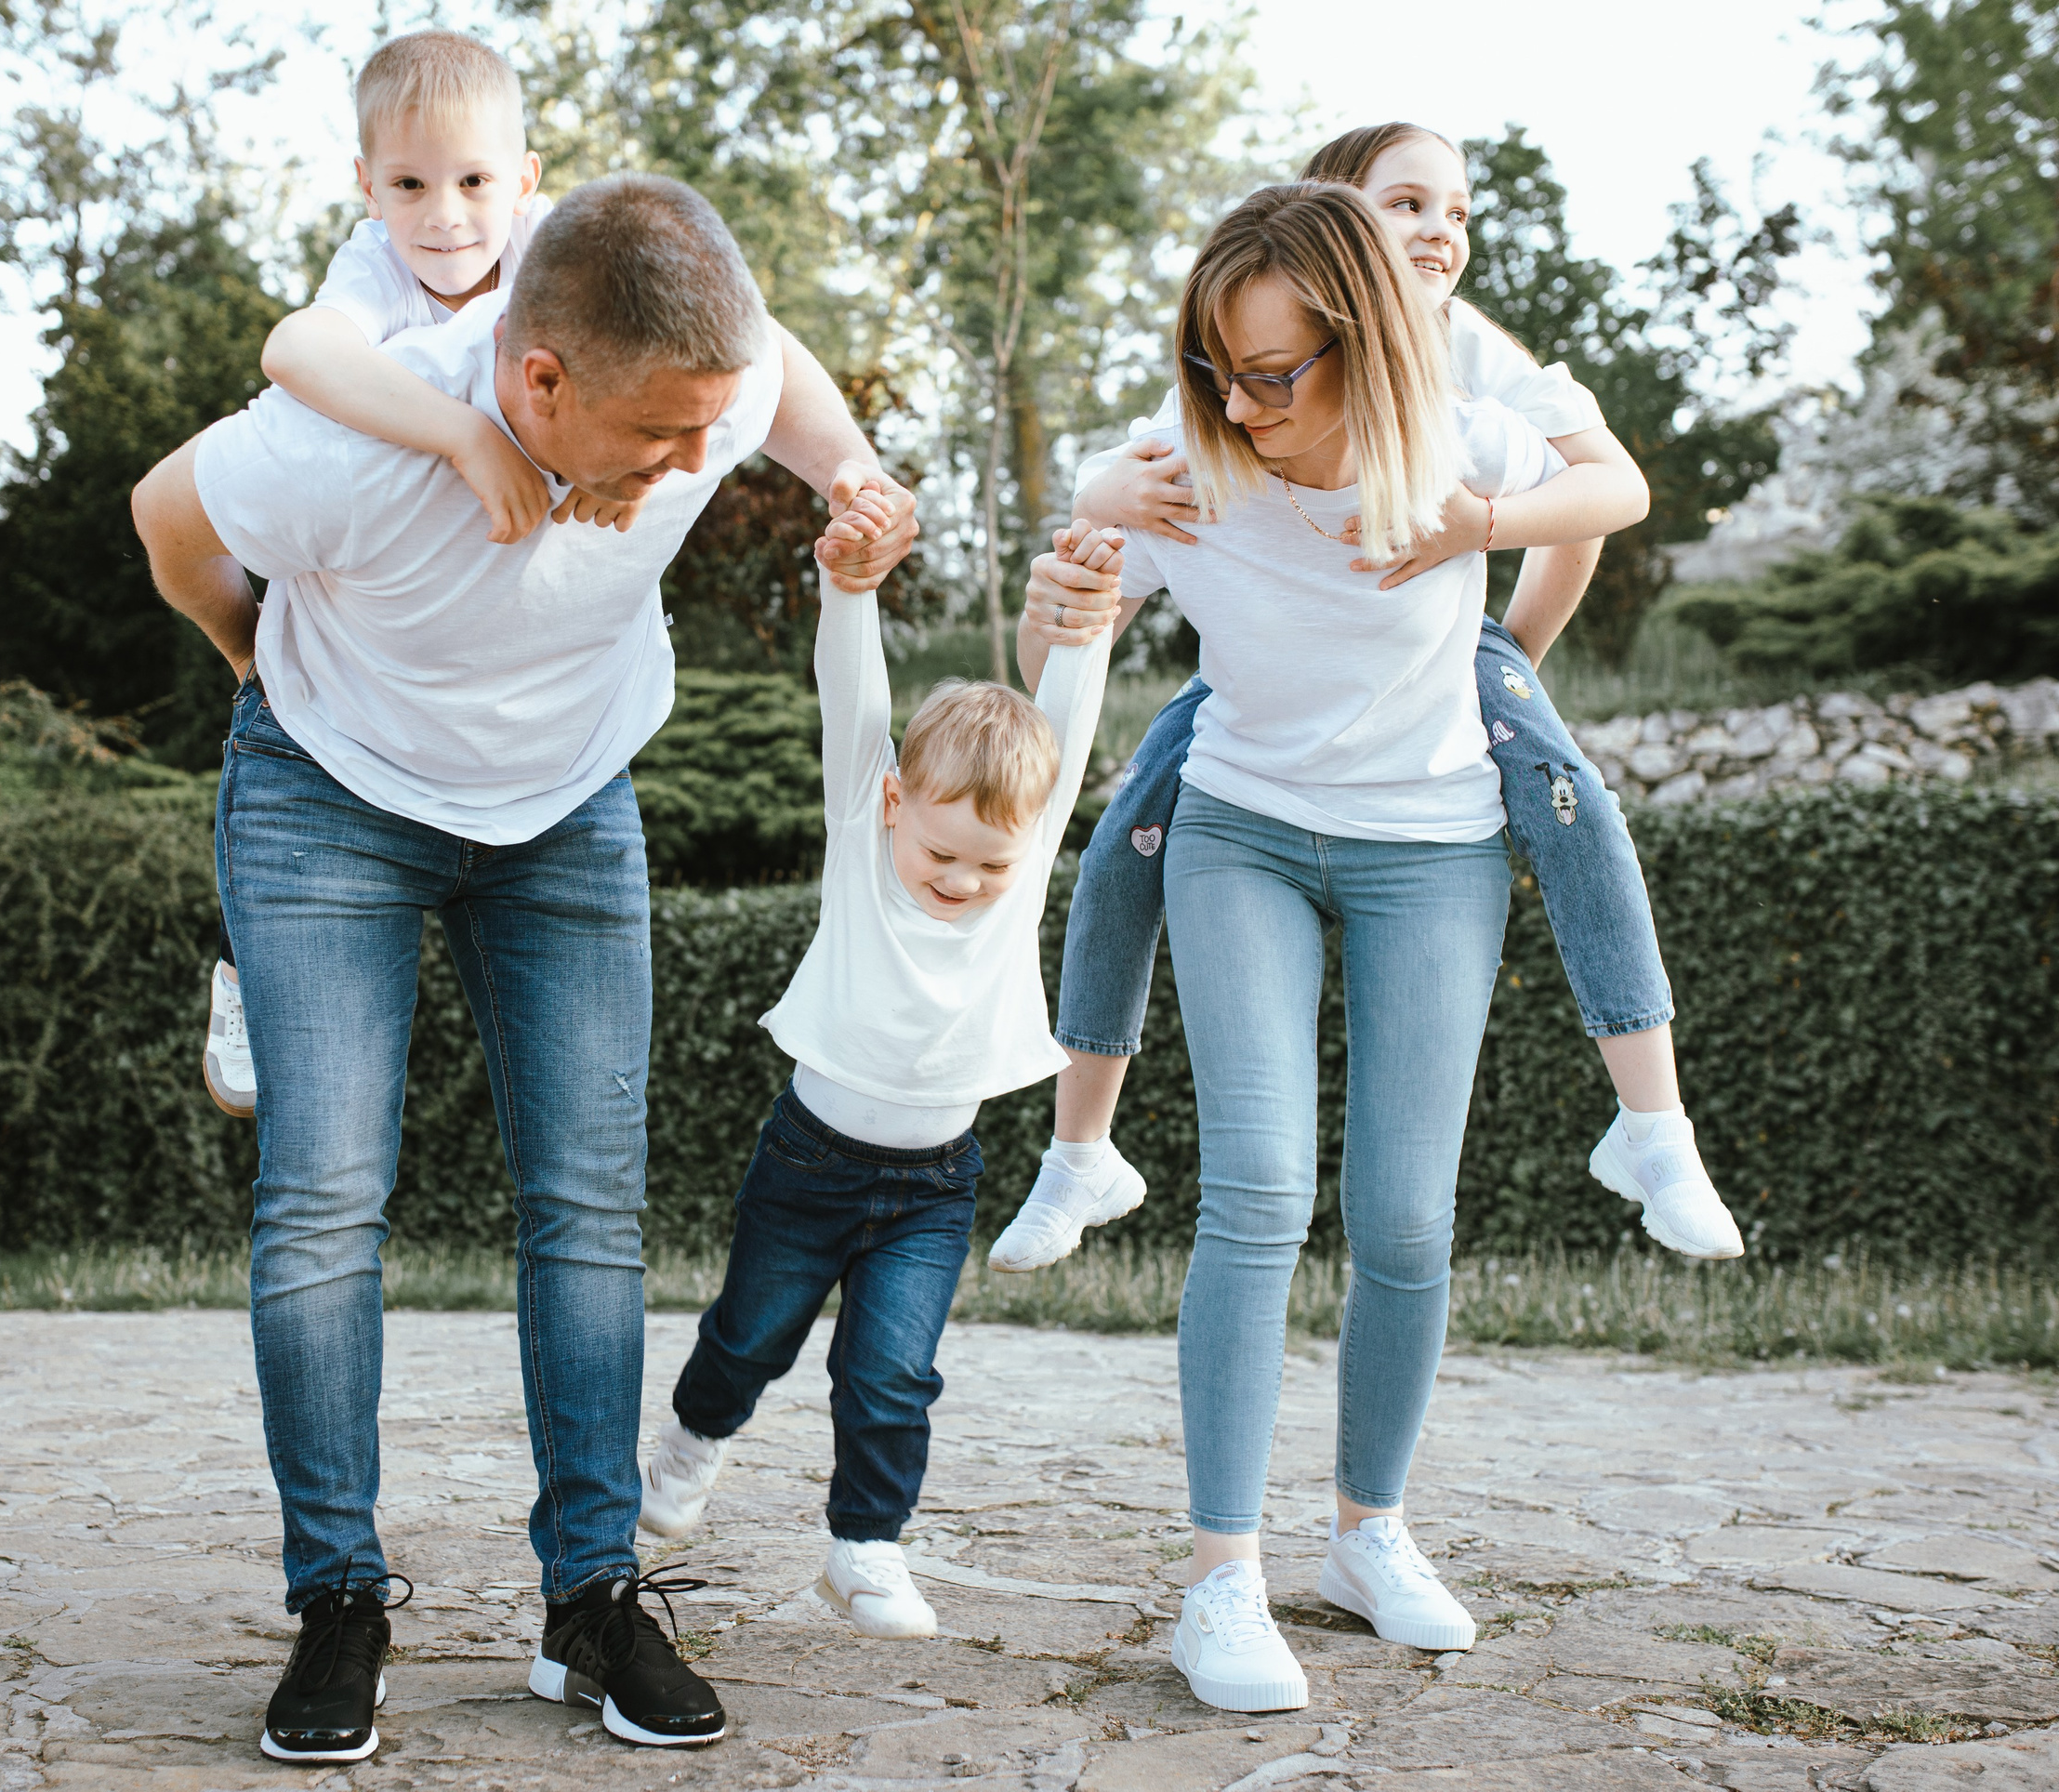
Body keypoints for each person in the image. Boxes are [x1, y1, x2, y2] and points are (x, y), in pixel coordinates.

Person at [128, 172, 918, 1760]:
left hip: (565, 805)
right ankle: (338, 1598)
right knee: (326, 1195)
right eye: (668, 434)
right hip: (329, 802)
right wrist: (262, 674)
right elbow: (168, 518)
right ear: (537, 379)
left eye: (720, 420)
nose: (705, 463)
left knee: (587, 1199)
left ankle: (593, 1594)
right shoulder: (355, 436)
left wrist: (847, 463)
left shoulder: (706, 377)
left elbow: (775, 379)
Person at [1013, 180, 1649, 1712]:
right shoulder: (1190, 465)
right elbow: (1056, 665)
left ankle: (1370, 1531)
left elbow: (1612, 490)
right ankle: (1220, 1576)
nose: (1239, 402)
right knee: (1258, 1192)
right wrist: (1058, 605)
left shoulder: (1466, 451)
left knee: (1407, 1217)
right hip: (1239, 831)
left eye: (1273, 372)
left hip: (1431, 848)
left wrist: (1490, 529)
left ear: (1366, 345)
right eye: (1214, 369)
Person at [989, 123, 1743, 1276]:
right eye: (1402, 205)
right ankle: (1078, 1145)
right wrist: (1094, 493)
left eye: (1455, 211)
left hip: (1446, 637)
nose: (1437, 230)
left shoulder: (1480, 362)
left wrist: (1492, 604)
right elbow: (1151, 468)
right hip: (1258, 674)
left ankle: (1652, 1124)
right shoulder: (1252, 343)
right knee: (1125, 837)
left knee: (1575, 807)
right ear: (1324, 240)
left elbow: (1611, 491)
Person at [632, 527, 1122, 1639]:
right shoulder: (863, 833)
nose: (963, 879)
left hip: (934, 1184)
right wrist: (847, 588)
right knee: (750, 1337)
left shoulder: (1017, 871)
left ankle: (864, 1548)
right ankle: (689, 1446)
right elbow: (849, 701)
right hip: (809, 1160)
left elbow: (1069, 727)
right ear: (895, 801)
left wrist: (1088, 614)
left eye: (992, 863)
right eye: (942, 851)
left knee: (892, 1373)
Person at [198, 29, 638, 1120]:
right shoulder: (377, 265)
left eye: (475, 181)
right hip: (356, 628)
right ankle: (257, 967)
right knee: (290, 734)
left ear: (526, 180)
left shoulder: (557, 250)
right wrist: (458, 433)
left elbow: (672, 348)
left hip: (510, 668)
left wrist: (617, 459)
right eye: (408, 184)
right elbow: (297, 355)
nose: (444, 214)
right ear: (366, 186)